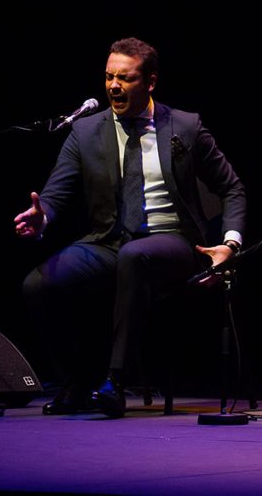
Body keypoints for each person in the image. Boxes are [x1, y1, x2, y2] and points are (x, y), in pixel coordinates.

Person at [15, 38, 247, 418]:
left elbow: (232, 188)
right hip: (108, 240)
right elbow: (56, 195)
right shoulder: (86, 132)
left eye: (125, 78)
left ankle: (115, 381)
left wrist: (230, 244)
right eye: (109, 77)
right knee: (38, 284)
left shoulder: (185, 127)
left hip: (173, 241)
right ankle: (76, 381)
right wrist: (43, 217)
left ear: (150, 82)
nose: (114, 86)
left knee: (135, 256)